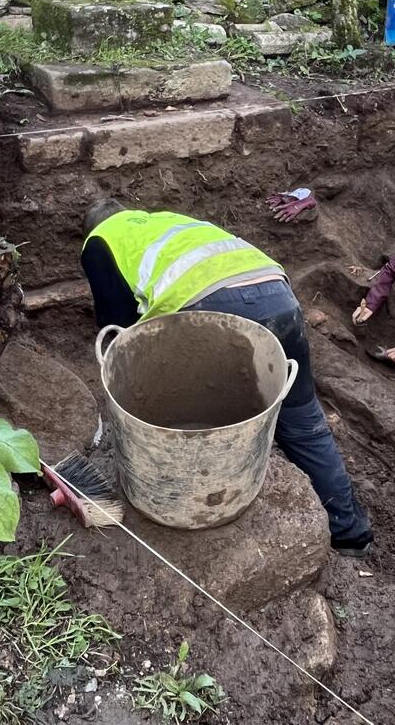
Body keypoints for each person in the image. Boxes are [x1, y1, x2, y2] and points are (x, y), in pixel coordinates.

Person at [81, 198, 373, 557]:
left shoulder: (99, 240)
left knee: (185, 398)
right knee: (304, 421)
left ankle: (194, 483)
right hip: (278, 296)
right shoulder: (167, 218)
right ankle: (350, 533)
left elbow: (124, 333)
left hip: (208, 304)